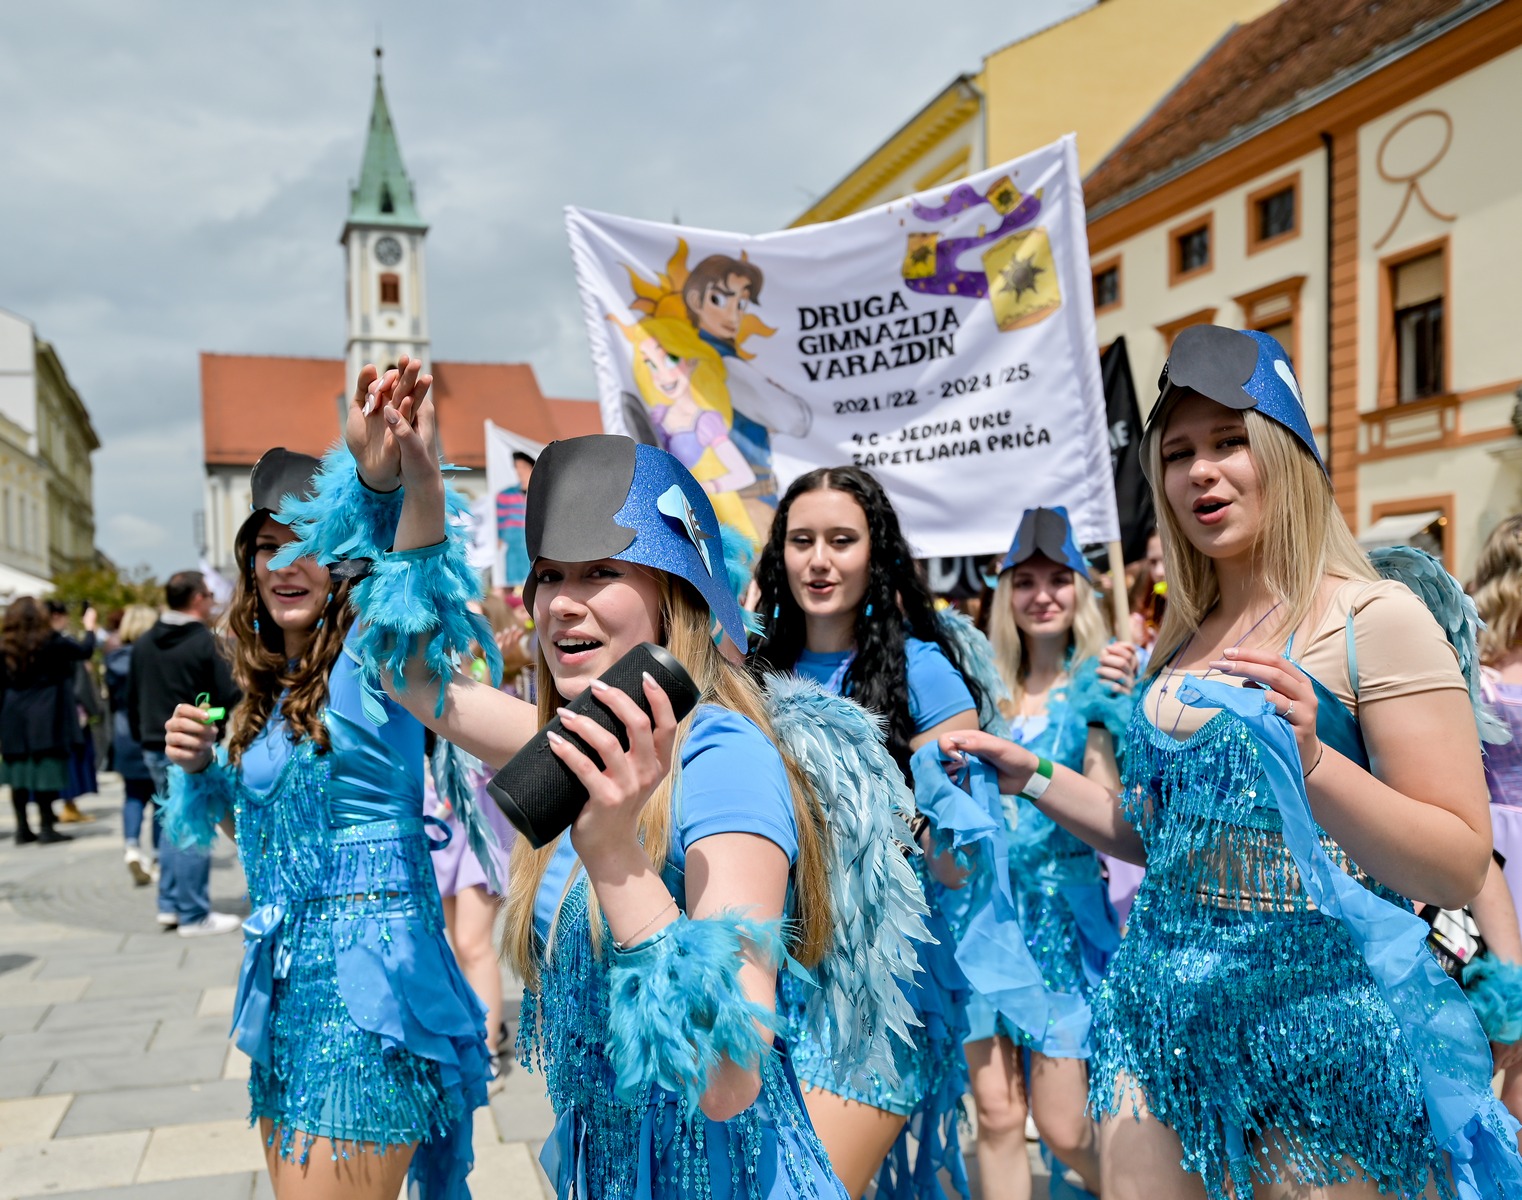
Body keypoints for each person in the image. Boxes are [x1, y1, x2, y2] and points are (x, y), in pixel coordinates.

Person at [940, 325, 1522, 1198]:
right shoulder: (1181, 637)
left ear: (1286, 451)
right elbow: (1160, 839)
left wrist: (1314, 762)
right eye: (1178, 453)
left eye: (1228, 442)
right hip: (1157, 1020)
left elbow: (1456, 863)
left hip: (1318, 1027)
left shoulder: (1374, 619)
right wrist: (1034, 777)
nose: (1201, 472)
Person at [289, 356, 857, 1198]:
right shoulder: (583, 742)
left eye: (599, 573)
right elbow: (407, 669)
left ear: (673, 595)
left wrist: (616, 855)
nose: (560, 602)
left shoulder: (724, 756)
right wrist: (408, 487)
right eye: (549, 574)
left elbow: (730, 1077)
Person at [160, 435, 493, 1200]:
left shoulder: (376, 656)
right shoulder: (269, 690)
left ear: (345, 559)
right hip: (285, 1002)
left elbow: (415, 564)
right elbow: (268, 842)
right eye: (267, 546)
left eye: (307, 543)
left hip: (368, 1003)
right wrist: (203, 771)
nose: (285, 564)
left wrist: (401, 473)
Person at [750, 464, 984, 1200]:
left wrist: (915, 819)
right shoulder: (746, 670)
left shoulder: (926, 674)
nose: (819, 561)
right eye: (802, 541)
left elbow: (958, 864)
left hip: (871, 996)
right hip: (764, 980)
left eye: (841, 541)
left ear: (875, 554)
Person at [964, 506, 1136, 1200]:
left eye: (1058, 579)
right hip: (982, 917)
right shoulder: (978, 691)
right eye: (1026, 580)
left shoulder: (1102, 685)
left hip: (1064, 922)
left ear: (1082, 590)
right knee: (997, 1117)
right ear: (1005, 592)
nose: (1042, 595)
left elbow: (1110, 807)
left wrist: (1113, 711)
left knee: (1064, 1127)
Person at [131, 570, 242, 936]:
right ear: (197, 599)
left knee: (170, 819)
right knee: (192, 818)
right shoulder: (206, 642)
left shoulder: (144, 641)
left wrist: (143, 734)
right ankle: (193, 913)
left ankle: (169, 904)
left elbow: (130, 695)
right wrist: (217, 725)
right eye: (209, 595)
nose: (212, 601)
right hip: (193, 744)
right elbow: (231, 694)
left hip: (152, 742)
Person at [1465, 514, 1522, 1126]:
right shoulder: (1469, 661)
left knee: (1482, 1054)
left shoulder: (1469, 662)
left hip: (1490, 860)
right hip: (1488, 866)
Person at [1, 595, 97, 844]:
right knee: (46, 769)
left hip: (12, 714)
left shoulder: (5, 645)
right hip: (45, 713)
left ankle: (22, 828)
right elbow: (85, 651)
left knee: (18, 774)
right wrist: (89, 628)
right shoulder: (52, 642)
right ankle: (46, 826)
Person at [105, 604, 161, 883]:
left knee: (133, 794)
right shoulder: (156, 659)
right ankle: (159, 855)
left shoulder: (113, 660)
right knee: (161, 796)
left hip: (124, 733)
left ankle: (131, 847)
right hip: (153, 731)